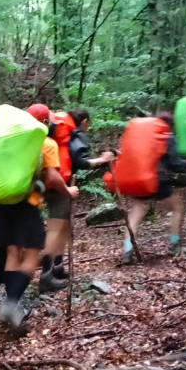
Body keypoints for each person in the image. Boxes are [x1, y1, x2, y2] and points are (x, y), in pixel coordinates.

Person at [0, 104, 79, 333]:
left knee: (13, 253)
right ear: (44, 123)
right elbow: (52, 177)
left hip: (3, 201)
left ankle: (10, 303)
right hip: (27, 205)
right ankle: (11, 304)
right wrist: (68, 192)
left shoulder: (11, 139)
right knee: (32, 254)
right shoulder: (46, 142)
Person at [39, 108, 115, 289]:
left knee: (61, 229)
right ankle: (47, 276)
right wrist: (102, 160)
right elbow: (80, 161)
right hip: (60, 184)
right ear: (84, 121)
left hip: (43, 182)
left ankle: (57, 268)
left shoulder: (57, 133)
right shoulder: (75, 133)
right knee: (56, 230)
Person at [122, 112, 186, 264]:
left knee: (136, 212)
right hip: (157, 179)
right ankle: (174, 245)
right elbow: (174, 164)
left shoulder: (141, 136)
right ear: (168, 123)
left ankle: (127, 250)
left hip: (136, 179)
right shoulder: (166, 135)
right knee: (177, 207)